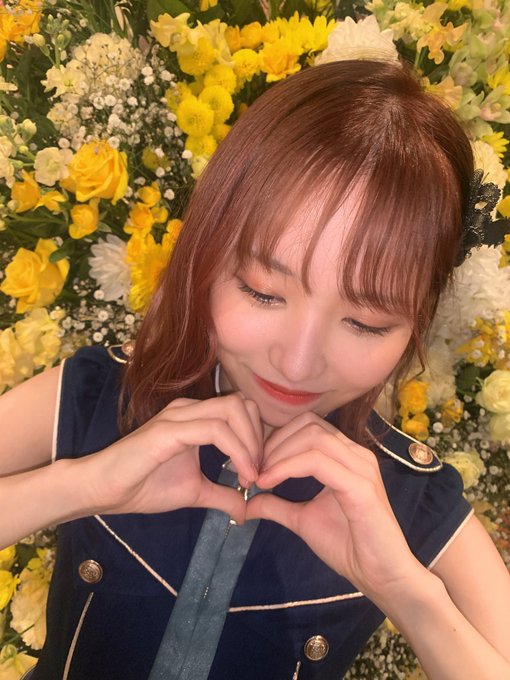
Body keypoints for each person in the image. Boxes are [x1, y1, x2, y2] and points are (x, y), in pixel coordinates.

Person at [1, 59, 510, 680]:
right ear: (205, 258)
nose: (296, 363)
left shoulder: (408, 495)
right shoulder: (101, 394)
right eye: (263, 292)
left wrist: (405, 591)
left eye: (366, 323)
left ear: (416, 325)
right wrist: (82, 485)